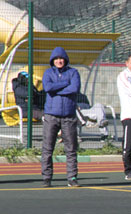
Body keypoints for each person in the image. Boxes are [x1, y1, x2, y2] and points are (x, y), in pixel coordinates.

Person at [41, 46, 81, 188]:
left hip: (68, 116)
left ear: (65, 60)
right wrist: (65, 84)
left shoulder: (73, 72)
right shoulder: (48, 73)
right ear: (53, 60)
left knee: (71, 149)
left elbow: (74, 88)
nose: (59, 61)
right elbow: (47, 88)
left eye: (61, 58)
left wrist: (56, 89)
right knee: (47, 148)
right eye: (56, 59)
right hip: (51, 115)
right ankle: (46, 177)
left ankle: (72, 177)